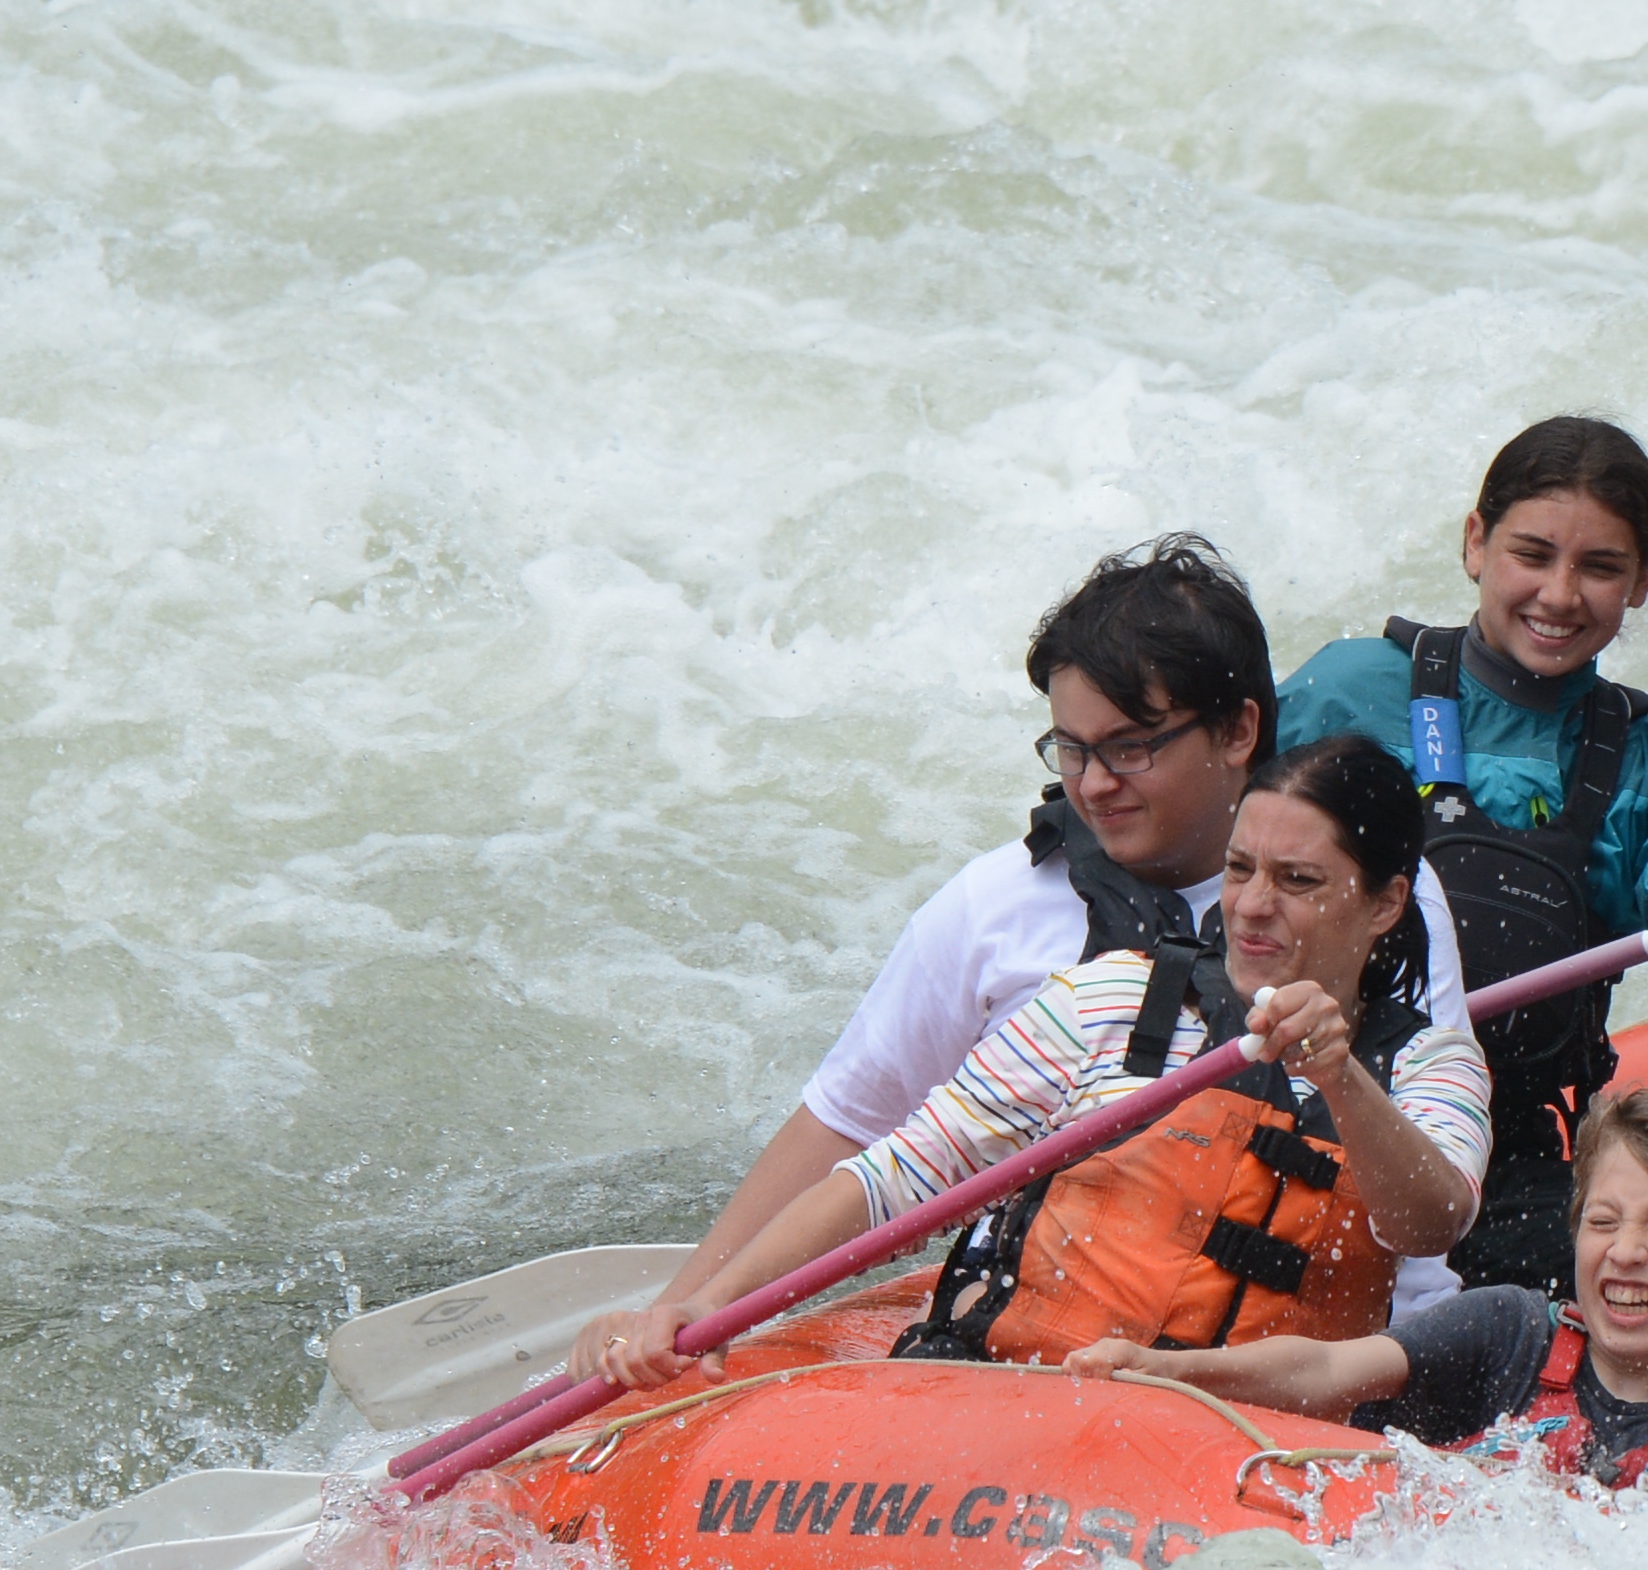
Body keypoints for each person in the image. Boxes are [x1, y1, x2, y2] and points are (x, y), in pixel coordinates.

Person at [628, 535, 1479, 1367]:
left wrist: (1338, 1075)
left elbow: (1426, 1220)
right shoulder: (1078, 975)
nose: (1094, 782)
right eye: (1072, 749)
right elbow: (880, 1154)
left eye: (1130, 746)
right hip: (1058, 1370)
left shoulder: (1407, 984)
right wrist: (700, 1305)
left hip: (1298, 1380)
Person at [1276, 420, 1648, 1292]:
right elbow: (1210, 851)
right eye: (1532, 554)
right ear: (1475, 543)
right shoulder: (1348, 689)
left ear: (1643, 581)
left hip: (1508, 1151)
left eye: (1600, 567)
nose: (1559, 594)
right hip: (1303, 1097)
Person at [1073, 1087, 1648, 1493]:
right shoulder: (1511, 1330)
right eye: (1602, 1222)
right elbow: (1325, 1368)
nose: (1625, 1251)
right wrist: (1165, 1369)